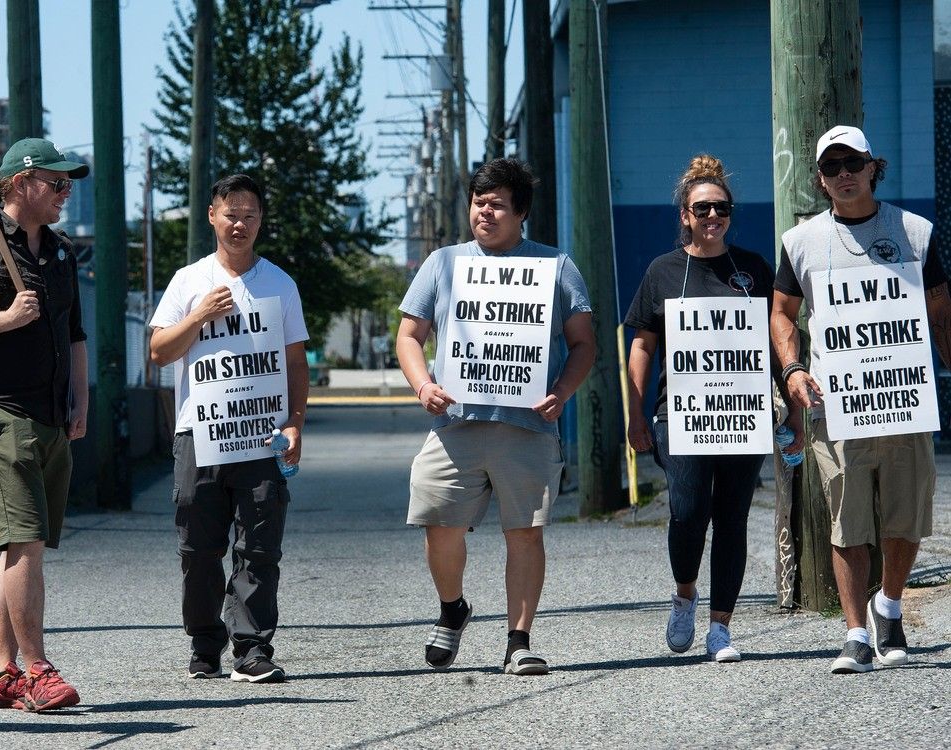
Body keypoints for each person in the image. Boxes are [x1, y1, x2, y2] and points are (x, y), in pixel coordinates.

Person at [396, 158, 595, 675]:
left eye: (497, 205)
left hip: (527, 424)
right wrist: (423, 385)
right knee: (439, 524)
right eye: (479, 203)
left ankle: (519, 640)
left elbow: (583, 344)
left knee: (525, 531)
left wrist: (563, 391)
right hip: (455, 423)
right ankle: (452, 609)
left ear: (521, 213)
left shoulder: (554, 266)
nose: (485, 212)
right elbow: (409, 336)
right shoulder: (443, 263)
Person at [770, 125, 951, 674]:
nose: (844, 173)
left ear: (875, 166)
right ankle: (854, 633)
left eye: (854, 163)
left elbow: (941, 310)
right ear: (821, 181)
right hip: (836, 403)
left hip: (904, 399)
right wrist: (793, 370)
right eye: (832, 167)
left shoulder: (915, 232)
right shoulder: (800, 242)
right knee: (847, 522)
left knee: (905, 516)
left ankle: (888, 606)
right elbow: (781, 312)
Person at [150, 174, 309, 683]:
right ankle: (204, 643)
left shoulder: (280, 284)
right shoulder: (188, 280)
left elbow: (295, 361)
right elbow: (157, 353)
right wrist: (199, 315)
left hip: (261, 434)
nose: (239, 223)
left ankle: (253, 648)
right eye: (230, 213)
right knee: (198, 547)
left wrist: (295, 424)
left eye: (250, 214)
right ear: (213, 216)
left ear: (261, 221)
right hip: (199, 433)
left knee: (260, 542)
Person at [0, 138, 89, 711]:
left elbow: (75, 335)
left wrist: (79, 399)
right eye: (56, 183)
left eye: (68, 184)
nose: (65, 192)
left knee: (19, 550)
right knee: (24, 542)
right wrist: (2, 320)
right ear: (19, 183)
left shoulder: (60, 254)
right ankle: (37, 668)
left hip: (51, 416)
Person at [625, 155, 780, 662]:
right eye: (702, 208)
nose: (712, 216)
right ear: (685, 215)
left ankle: (721, 629)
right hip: (680, 415)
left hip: (742, 414)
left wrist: (792, 410)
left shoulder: (754, 269)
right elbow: (643, 345)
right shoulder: (663, 272)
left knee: (732, 519)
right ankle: (685, 594)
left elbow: (778, 338)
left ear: (730, 213)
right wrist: (635, 412)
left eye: (721, 207)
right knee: (688, 514)